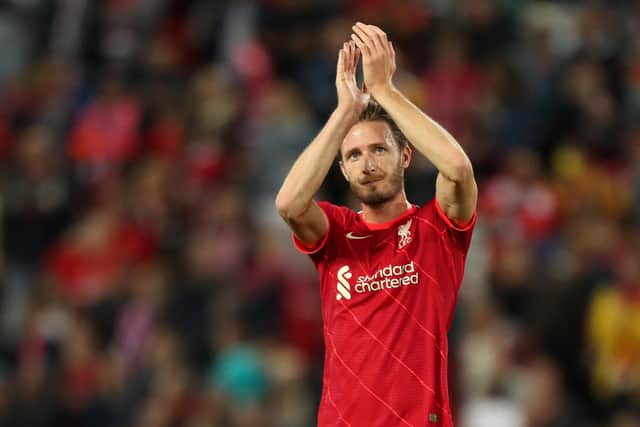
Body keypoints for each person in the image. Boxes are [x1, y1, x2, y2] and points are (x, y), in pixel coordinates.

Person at [275, 22, 477, 427]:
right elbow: (289, 203)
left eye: (379, 149)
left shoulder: (436, 230)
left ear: (405, 156)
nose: (366, 165)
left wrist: (385, 90)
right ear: (344, 171)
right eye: (353, 156)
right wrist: (344, 112)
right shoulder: (336, 233)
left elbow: (457, 168)